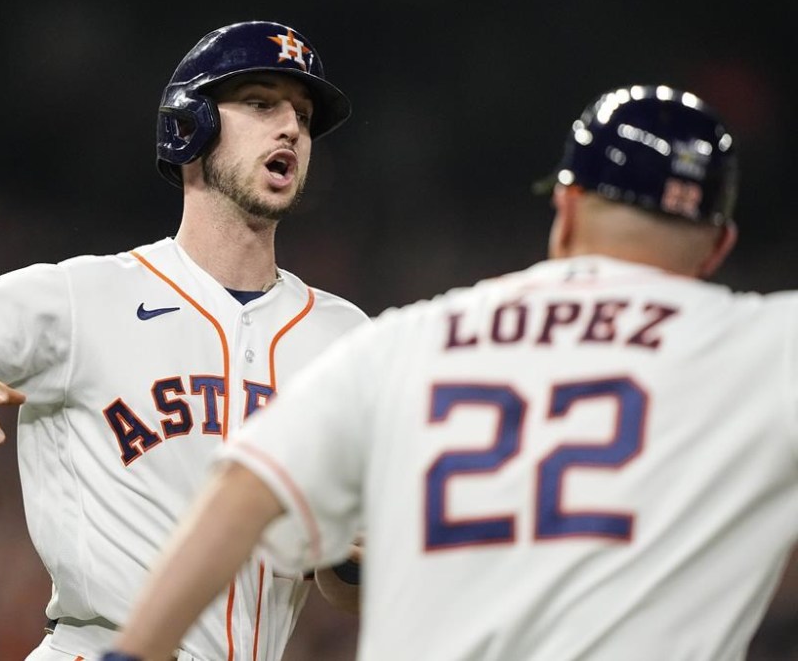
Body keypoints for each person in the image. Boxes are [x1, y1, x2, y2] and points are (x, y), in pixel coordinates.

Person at [102, 85, 798, 661]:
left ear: (567, 209)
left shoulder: (412, 337)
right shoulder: (763, 346)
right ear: (719, 247)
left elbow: (244, 486)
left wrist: (128, 656)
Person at [0, 20, 369, 661]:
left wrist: (350, 554)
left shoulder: (346, 337)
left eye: (303, 117)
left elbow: (347, 589)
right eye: (260, 103)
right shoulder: (83, 298)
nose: (290, 129)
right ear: (190, 125)